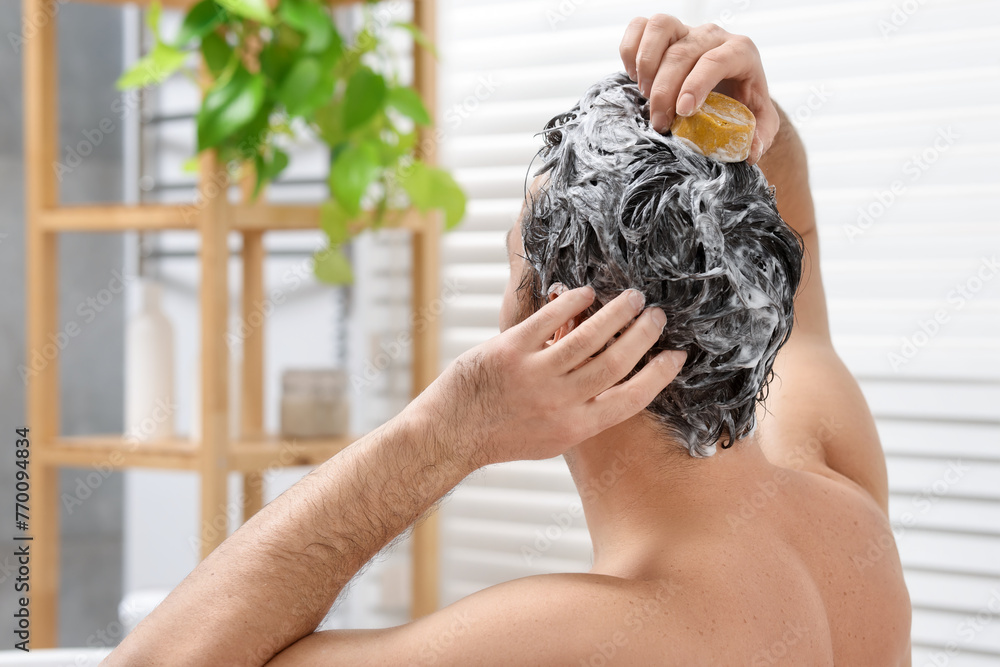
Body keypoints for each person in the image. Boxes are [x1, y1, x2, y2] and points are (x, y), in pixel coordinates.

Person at [104, 15, 912, 666]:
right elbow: (794, 254)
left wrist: (447, 429)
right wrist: (748, 117)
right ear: (749, 284)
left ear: (558, 326)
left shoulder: (578, 638)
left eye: (509, 258)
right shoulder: (841, 504)